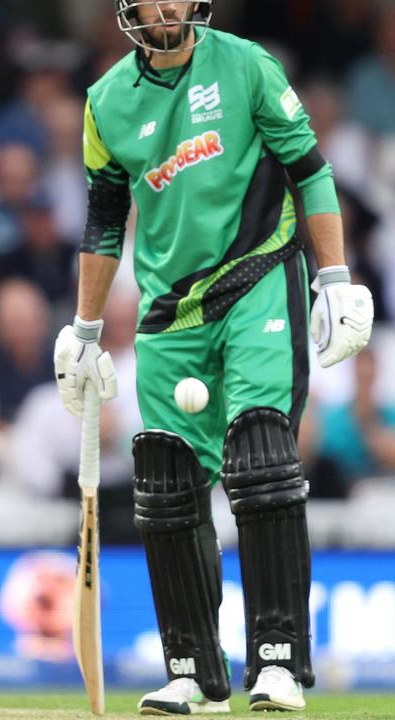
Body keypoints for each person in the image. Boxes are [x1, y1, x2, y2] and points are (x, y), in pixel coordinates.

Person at [55, 2, 374, 715]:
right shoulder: (105, 102)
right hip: (169, 313)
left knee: (261, 459)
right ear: (128, 9)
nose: (164, 8)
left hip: (258, 275)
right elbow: (105, 220)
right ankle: (194, 673)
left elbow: (310, 169)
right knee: (165, 487)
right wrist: (82, 328)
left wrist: (333, 277)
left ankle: (279, 660)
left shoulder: (246, 64)